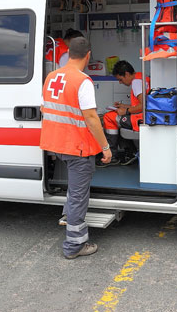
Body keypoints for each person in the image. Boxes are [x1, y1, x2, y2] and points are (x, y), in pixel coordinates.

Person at [40, 37, 112, 259]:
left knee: (74, 188)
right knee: (80, 195)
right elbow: (91, 118)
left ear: (69, 53)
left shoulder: (51, 77)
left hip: (57, 144)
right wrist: (105, 147)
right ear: (88, 55)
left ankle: (67, 213)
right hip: (78, 146)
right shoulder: (83, 81)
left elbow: (46, 109)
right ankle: (74, 245)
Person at [101, 60, 149, 166]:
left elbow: (143, 105)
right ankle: (130, 152)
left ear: (127, 74)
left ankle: (112, 156)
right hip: (142, 116)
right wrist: (124, 107)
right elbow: (140, 104)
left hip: (138, 119)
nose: (120, 82)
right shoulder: (142, 76)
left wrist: (126, 111)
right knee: (116, 116)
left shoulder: (136, 83)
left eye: (121, 79)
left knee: (108, 117)